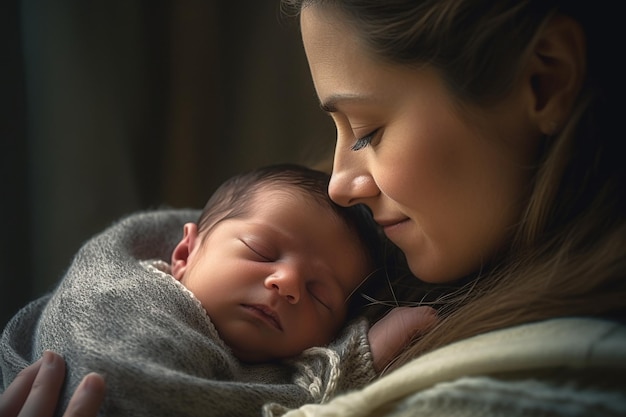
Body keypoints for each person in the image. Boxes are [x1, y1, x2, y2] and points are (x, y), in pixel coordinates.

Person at [3, 0, 626, 416]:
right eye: (338, 131)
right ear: (183, 249)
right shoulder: (133, 302)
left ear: (543, 80)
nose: (340, 185)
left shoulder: (535, 387)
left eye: (368, 130)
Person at [0, 163, 435, 416]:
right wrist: (349, 370)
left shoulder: (272, 368)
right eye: (261, 251)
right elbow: (124, 383)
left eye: (320, 295)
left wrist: (357, 355)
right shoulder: (124, 299)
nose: (285, 284)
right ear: (185, 252)